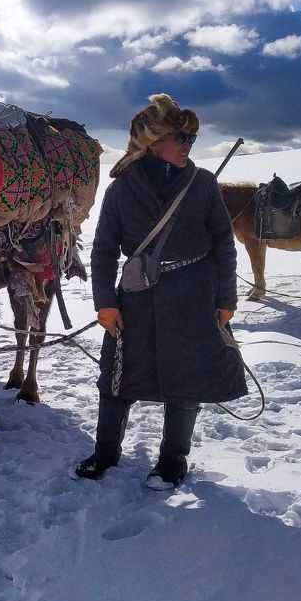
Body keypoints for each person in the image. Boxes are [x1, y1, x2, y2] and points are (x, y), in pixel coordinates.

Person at [76, 93, 246, 489]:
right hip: (136, 297)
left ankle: (172, 462)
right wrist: (105, 302)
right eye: (180, 137)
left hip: (194, 295)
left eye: (191, 138)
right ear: (153, 143)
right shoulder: (121, 190)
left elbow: (224, 244)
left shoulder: (202, 183)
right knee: (117, 379)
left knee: (186, 382)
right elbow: (102, 250)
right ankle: (105, 453)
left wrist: (225, 300)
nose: (188, 144)